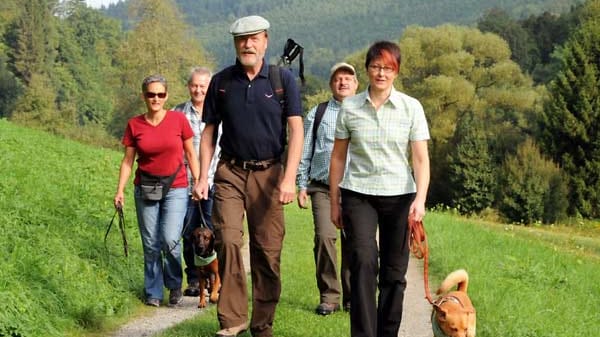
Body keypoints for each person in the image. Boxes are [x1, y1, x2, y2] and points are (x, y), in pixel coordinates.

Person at [194, 15, 303, 337]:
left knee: (267, 252)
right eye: (241, 39)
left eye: (253, 38)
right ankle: (232, 320)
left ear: (265, 40)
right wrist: (202, 177)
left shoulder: (282, 80)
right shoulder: (222, 81)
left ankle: (262, 324)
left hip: (270, 173)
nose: (247, 44)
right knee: (227, 239)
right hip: (230, 171)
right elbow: (208, 132)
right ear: (235, 44)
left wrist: (289, 178)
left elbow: (296, 130)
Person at [329, 41, 430, 337]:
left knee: (395, 273)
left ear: (396, 71)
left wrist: (420, 199)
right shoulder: (350, 107)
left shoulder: (411, 108)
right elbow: (338, 157)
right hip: (358, 194)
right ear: (367, 69)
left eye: (387, 68)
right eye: (375, 67)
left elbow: (421, 159)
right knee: (362, 262)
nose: (381, 73)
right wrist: (335, 201)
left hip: (399, 197)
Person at [113, 74, 199, 308]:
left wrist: (199, 181)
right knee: (150, 242)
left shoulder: (178, 120)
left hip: (176, 187)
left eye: (161, 94)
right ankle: (153, 291)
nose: (156, 98)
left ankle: (173, 285)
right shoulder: (134, 124)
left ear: (167, 96)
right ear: (144, 96)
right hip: (146, 188)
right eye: (151, 94)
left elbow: (191, 153)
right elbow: (128, 161)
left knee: (170, 239)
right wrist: (119, 190)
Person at [296, 62, 358, 315]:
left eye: (348, 78)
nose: (343, 82)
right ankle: (329, 296)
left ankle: (354, 297)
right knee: (325, 237)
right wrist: (301, 184)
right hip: (322, 187)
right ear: (331, 84)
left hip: (356, 188)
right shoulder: (318, 113)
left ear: (356, 84)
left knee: (356, 243)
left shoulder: (364, 112)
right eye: (338, 78)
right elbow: (305, 148)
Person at [172, 66, 221, 297]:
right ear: (188, 86)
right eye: (194, 85)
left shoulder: (220, 112)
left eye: (203, 86)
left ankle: (215, 279)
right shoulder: (177, 112)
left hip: (214, 181)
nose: (198, 90)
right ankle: (193, 279)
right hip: (185, 182)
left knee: (213, 231)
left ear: (209, 87)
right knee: (189, 232)